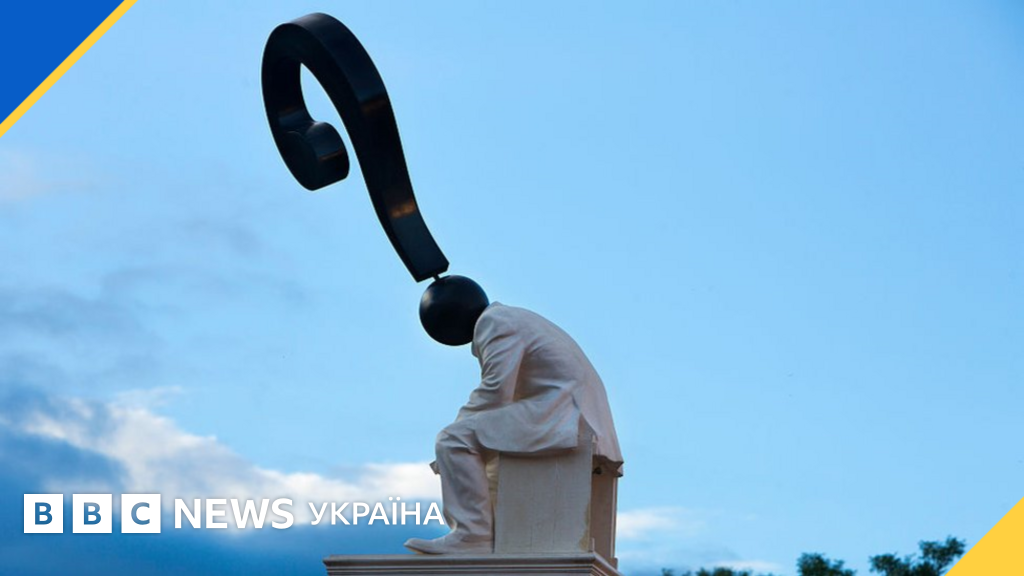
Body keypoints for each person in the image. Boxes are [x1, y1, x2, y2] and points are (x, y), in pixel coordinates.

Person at [404, 276, 623, 555]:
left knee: (452, 440)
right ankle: (487, 535)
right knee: (486, 460)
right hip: (568, 409)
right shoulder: (512, 318)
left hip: (560, 412)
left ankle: (472, 535)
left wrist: (457, 432)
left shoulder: (495, 323)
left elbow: (496, 390)